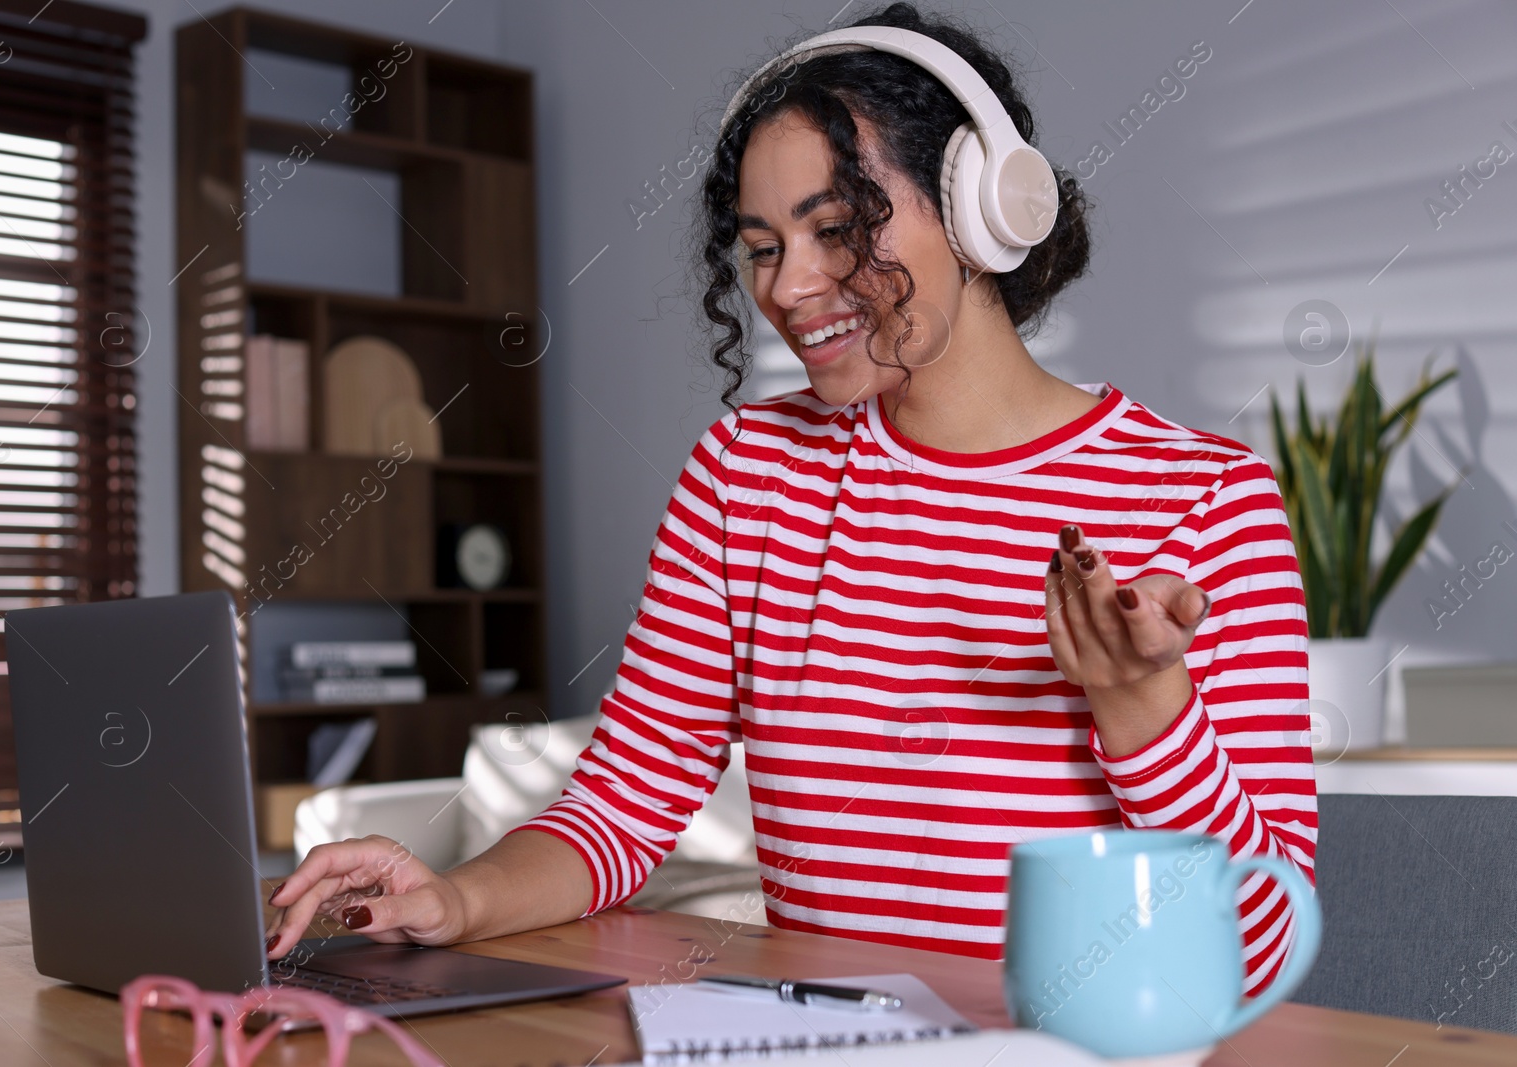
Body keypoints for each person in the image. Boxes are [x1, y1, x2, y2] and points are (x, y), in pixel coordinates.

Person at [267, 2, 1316, 996]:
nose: (788, 286)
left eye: (838, 226)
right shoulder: (746, 473)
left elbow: (1261, 944)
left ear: (984, 210)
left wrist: (1140, 708)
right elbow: (622, 806)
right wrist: (456, 895)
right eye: (763, 246)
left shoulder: (1204, 497)